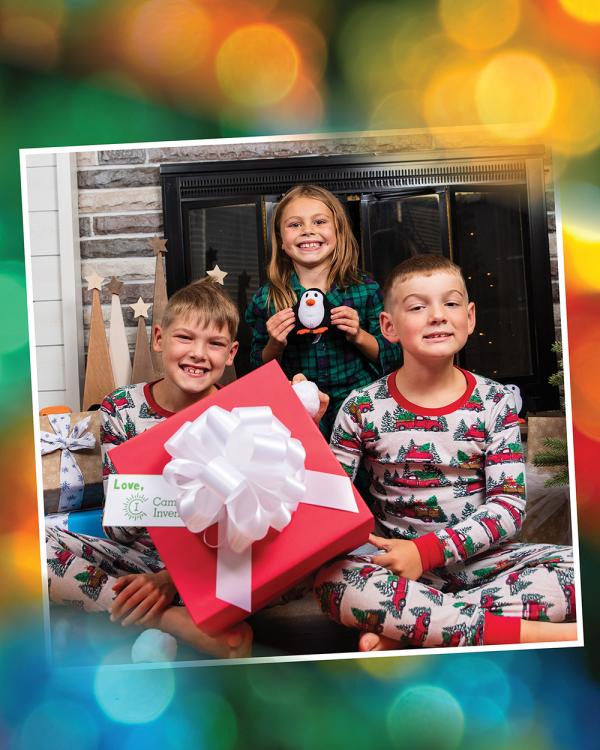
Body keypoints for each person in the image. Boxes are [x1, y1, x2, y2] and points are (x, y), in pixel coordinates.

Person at [314, 254, 577, 649]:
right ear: (389, 327)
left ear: (469, 318)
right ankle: (504, 631)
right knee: (332, 581)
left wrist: (430, 550)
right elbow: (329, 504)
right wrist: (305, 431)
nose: (437, 315)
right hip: (399, 566)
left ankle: (413, 627)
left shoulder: (495, 402)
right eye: (418, 306)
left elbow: (508, 507)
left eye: (450, 303)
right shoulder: (360, 407)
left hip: (485, 564)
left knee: (579, 569)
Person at [45, 279, 253, 659]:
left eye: (215, 344)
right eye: (185, 338)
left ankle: (176, 610)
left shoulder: (242, 415)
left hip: (216, 567)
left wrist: (170, 580)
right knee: (27, 547)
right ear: (159, 338)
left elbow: (250, 530)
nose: (198, 354)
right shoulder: (121, 408)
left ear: (231, 353)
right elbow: (119, 528)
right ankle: (170, 621)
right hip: (133, 560)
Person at [245, 184, 402, 437]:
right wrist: (275, 343)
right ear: (282, 242)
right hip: (296, 408)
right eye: (295, 225)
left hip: (357, 406)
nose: (308, 231)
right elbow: (257, 368)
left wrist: (358, 335)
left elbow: (394, 355)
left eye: (319, 222)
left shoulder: (364, 289)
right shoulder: (268, 298)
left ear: (338, 233)